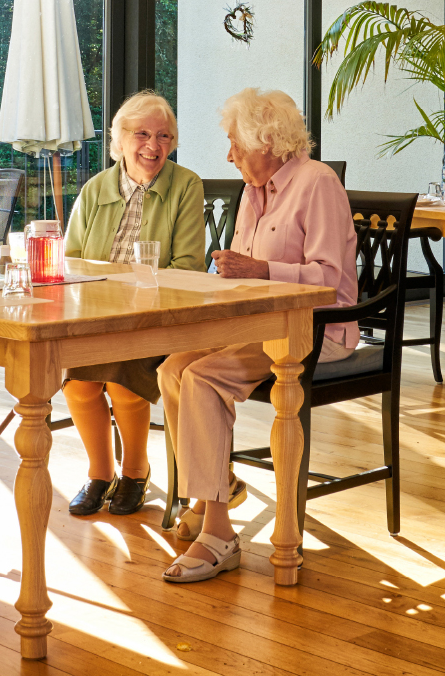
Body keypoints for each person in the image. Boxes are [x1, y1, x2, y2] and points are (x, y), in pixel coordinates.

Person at [159, 87, 358, 583]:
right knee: (173, 368)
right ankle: (215, 489)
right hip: (259, 328)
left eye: (234, 143)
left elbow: (329, 278)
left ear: (265, 141)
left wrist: (261, 269)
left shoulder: (318, 182)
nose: (229, 155)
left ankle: (219, 535)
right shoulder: (253, 191)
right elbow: (244, 274)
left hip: (315, 331)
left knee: (203, 377)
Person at [63, 90, 204, 517]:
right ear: (120, 140)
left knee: (124, 382)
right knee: (78, 384)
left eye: (164, 136)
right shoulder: (95, 189)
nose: (153, 145)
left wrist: (126, 288)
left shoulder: (186, 186)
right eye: (142, 134)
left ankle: (135, 471)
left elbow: (188, 267)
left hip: (154, 318)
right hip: (96, 315)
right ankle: (100, 474)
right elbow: (70, 260)